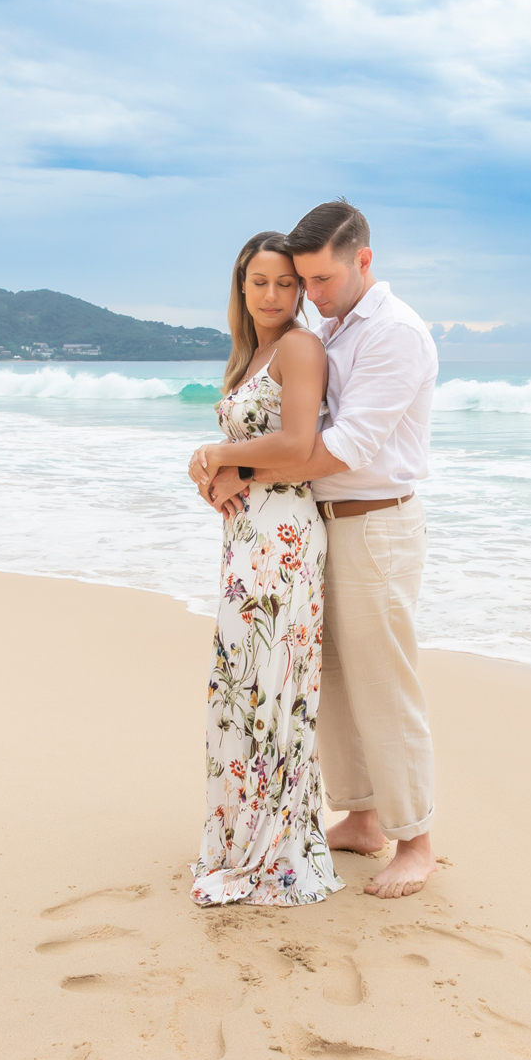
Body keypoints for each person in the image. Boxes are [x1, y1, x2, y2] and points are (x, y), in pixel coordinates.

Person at [194, 200, 440, 899]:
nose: (313, 295)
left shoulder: (393, 334)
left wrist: (234, 467)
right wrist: (228, 470)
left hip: (375, 520)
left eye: (322, 279)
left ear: (364, 259)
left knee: (384, 681)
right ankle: (362, 817)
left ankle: (416, 838)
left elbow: (342, 448)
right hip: (322, 521)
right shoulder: (334, 329)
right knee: (327, 679)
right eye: (306, 281)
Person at [183, 232, 343, 907]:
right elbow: (247, 454)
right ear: (241, 287)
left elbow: (300, 444)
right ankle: (242, 831)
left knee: (272, 686)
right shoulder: (251, 351)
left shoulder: (302, 347)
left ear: (300, 290)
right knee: (244, 684)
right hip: (248, 537)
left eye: (285, 283)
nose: (273, 295)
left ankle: (274, 849)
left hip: (282, 537)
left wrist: (218, 455)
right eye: (260, 283)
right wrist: (212, 474)